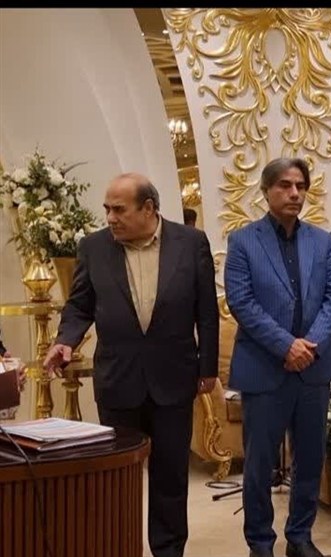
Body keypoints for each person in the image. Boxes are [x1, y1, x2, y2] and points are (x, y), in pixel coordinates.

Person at [43, 173, 219, 557]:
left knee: (170, 476)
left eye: (119, 209)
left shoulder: (191, 243)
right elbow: (79, 306)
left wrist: (208, 368)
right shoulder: (93, 247)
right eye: (107, 209)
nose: (110, 217)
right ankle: (120, 546)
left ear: (149, 208)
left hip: (173, 377)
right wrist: (64, 341)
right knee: (117, 477)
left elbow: (206, 311)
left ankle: (168, 550)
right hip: (118, 380)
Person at [224, 157, 331, 557]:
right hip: (264, 368)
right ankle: (260, 542)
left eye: (300, 186)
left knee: (309, 459)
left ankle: (300, 536)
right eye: (285, 185)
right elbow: (242, 302)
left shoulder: (322, 241)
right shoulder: (243, 241)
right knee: (259, 465)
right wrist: (286, 346)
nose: (294, 193)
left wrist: (309, 345)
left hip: (313, 368)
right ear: (266, 191)